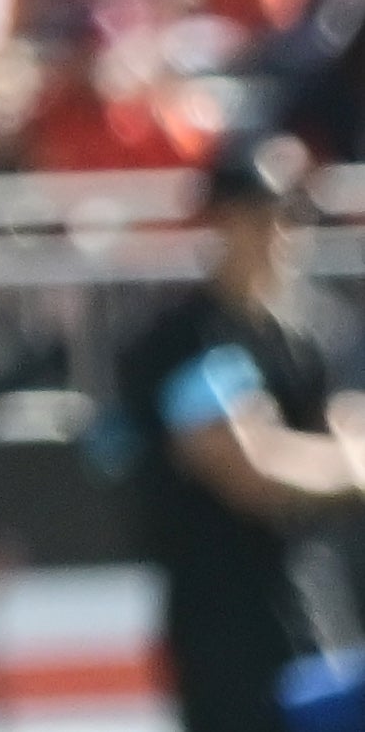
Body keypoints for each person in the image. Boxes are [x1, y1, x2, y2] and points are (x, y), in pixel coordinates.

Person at [120, 140, 365, 732]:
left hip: (317, 608)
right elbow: (250, 473)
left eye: (291, 218)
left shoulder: (311, 335)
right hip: (224, 628)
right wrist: (342, 468)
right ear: (222, 222)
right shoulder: (182, 340)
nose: (282, 235)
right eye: (263, 216)